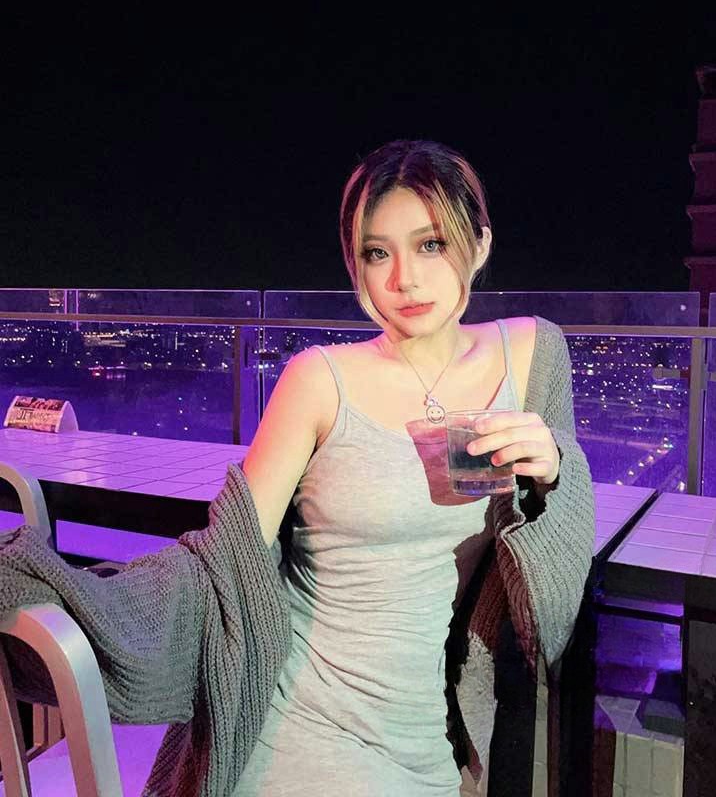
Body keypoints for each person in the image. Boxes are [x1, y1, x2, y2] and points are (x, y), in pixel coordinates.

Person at [0, 140, 595, 797]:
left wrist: (555, 473)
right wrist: (67, 604)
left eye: (431, 244)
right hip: (298, 725)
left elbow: (549, 615)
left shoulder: (531, 357)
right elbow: (223, 563)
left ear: (478, 245)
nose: (404, 278)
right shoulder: (318, 380)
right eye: (377, 253)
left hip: (423, 738)